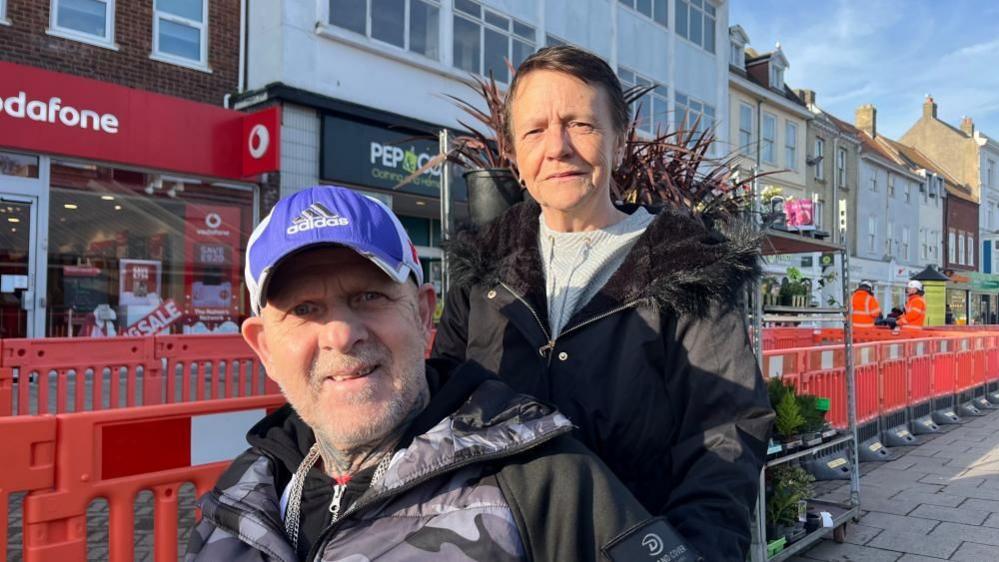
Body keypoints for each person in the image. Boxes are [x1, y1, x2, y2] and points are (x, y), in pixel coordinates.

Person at [186, 186, 680, 562]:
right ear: (264, 346)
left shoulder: (544, 484)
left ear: (424, 316)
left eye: (369, 297)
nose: (340, 334)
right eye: (304, 309)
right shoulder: (238, 499)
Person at [433, 46, 774, 561]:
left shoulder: (686, 269)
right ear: (513, 153)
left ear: (619, 141)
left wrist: (686, 552)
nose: (558, 147)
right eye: (534, 130)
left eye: (581, 124)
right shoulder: (482, 268)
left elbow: (725, 431)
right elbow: (441, 407)